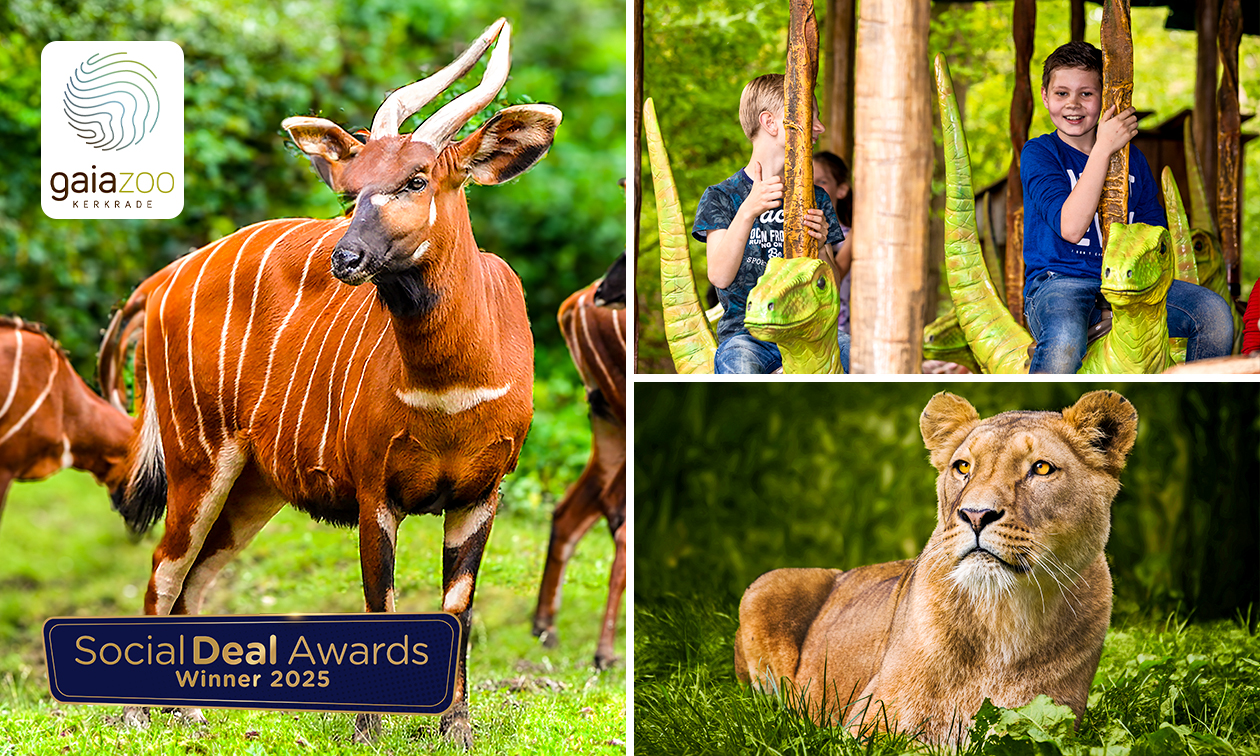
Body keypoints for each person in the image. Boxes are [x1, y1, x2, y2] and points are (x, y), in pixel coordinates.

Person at [1021, 41, 1232, 373]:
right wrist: (1103, 148)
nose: (1072, 104)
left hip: (1131, 285)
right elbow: (1071, 228)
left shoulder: (1134, 162)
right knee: (1064, 341)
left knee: (1214, 314)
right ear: (1046, 96)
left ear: (1104, 98)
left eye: (1086, 94)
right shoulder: (1040, 153)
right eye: (1062, 93)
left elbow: (1153, 236)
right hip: (1061, 281)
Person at [692, 73, 847, 374]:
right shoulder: (721, 197)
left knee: (864, 360)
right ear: (771, 123)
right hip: (747, 335)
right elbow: (720, 277)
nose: (820, 127)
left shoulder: (817, 198)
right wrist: (748, 211)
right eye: (809, 116)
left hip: (810, 335)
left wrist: (822, 247)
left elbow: (832, 287)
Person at [813, 150, 853, 334]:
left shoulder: (853, 234)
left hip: (840, 325)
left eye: (822, 181)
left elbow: (836, 274)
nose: (812, 187)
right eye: (808, 180)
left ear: (842, 190)